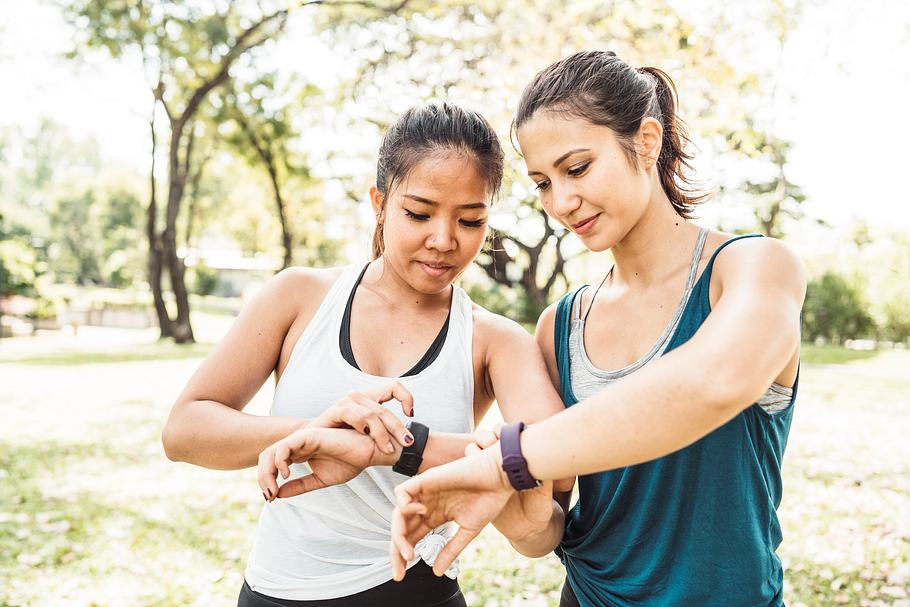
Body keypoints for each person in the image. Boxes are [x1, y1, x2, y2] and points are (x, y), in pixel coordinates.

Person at [390, 50, 807, 607]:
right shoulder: (559, 327)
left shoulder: (754, 268)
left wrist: (509, 458)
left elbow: (715, 382)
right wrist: (518, 513)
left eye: (577, 168)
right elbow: (549, 529)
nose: (560, 202)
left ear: (647, 142)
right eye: (541, 182)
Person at [161, 102, 568, 607]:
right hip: (274, 591)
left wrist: (402, 446)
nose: (443, 240)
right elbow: (185, 430)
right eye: (418, 213)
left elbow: (555, 463)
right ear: (380, 202)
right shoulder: (299, 296)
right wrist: (320, 435)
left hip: (415, 592)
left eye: (469, 220)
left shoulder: (495, 339)